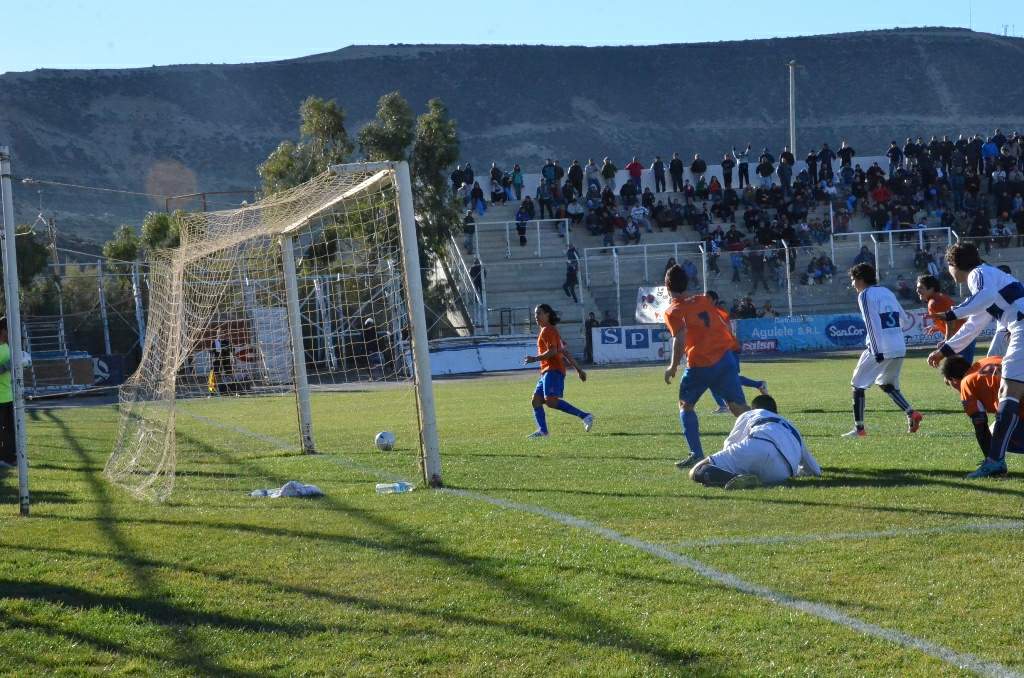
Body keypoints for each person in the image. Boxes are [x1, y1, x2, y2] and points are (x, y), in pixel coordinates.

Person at [927, 243, 1024, 477]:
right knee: (1011, 392)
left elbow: (983, 298)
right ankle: (995, 460)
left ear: (954, 264)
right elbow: (974, 324)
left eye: (948, 266)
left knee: (1008, 393)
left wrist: (951, 313)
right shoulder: (991, 276)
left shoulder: (978, 274)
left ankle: (995, 462)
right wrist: (945, 350)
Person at [662, 264, 750, 469]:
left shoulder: (673, 311)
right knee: (739, 408)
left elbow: (679, 339)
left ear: (667, 286)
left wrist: (672, 366)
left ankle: (696, 454)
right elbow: (723, 321)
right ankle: (769, 435)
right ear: (687, 283)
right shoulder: (703, 300)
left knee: (686, 406)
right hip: (725, 358)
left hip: (700, 364)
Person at [844, 263, 922, 438]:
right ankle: (911, 413)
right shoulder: (887, 291)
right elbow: (904, 318)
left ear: (861, 279)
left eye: (853, 280)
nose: (852, 284)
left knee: (857, 385)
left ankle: (859, 429)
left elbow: (871, 324)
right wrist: (894, 334)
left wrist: (877, 350)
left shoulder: (865, 295)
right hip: (898, 346)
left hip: (880, 348)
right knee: (886, 384)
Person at [689, 394, 821, 489]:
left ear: (754, 408)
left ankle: (733, 478)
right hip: (781, 472)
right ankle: (747, 478)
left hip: (758, 446)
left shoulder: (752, 413)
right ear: (776, 412)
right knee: (753, 464)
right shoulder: (792, 427)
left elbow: (729, 445)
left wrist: (725, 463)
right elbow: (814, 470)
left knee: (697, 470)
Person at [941, 355, 1024, 473]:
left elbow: (980, 427)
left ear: (954, 380)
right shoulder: (987, 360)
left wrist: (990, 459)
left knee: (996, 432)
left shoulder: (966, 382)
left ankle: (994, 464)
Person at [524, 304, 593, 438]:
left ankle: (585, 416)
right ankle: (543, 431)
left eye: (539, 313)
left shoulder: (548, 330)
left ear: (547, 314)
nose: (536, 316)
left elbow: (553, 351)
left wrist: (534, 359)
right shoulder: (550, 330)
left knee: (551, 401)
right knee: (536, 400)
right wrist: (579, 370)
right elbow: (564, 352)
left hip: (553, 370)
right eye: (535, 314)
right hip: (547, 371)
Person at [917, 274, 974, 364]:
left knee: (958, 370)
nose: (917, 290)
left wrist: (947, 341)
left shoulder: (934, 302)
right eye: (917, 288)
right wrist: (937, 327)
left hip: (961, 338)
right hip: (964, 337)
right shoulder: (940, 297)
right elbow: (954, 317)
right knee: (960, 370)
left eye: (921, 288)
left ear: (931, 289)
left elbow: (950, 319)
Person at [0, 318, 15, 468]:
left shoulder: (7, 346)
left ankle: (10, 458)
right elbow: (5, 367)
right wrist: (7, 366)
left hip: (9, 396)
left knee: (11, 430)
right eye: (9, 330)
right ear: (3, 330)